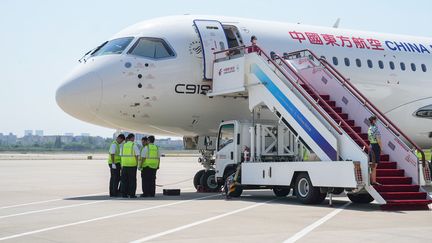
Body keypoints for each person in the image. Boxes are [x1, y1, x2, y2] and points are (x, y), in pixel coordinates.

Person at [120, 133, 140, 198]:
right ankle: (132, 194)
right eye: (133, 138)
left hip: (124, 165)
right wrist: (137, 164)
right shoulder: (134, 145)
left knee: (124, 181)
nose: (134, 139)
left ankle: (124, 194)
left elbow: (121, 155)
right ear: (132, 138)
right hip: (132, 165)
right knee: (132, 181)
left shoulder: (123, 145)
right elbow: (137, 155)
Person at [368, 116, 382, 186]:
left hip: (371, 146)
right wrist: (381, 148)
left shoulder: (369, 128)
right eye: (376, 120)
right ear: (373, 121)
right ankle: (374, 181)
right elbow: (378, 139)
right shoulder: (375, 129)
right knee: (375, 165)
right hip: (375, 146)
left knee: (371, 165)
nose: (377, 121)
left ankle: (371, 180)